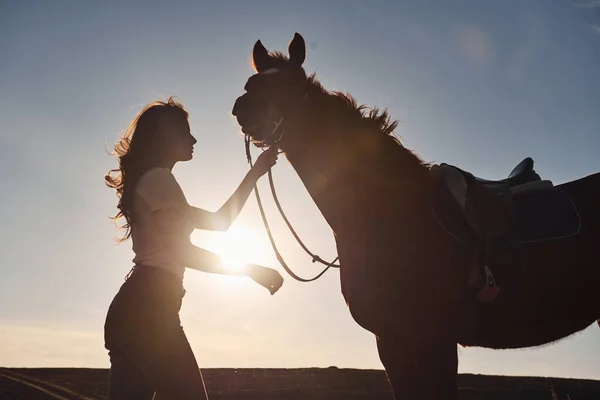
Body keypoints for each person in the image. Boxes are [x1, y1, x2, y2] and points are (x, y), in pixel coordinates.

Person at [103, 97, 283, 399]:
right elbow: (183, 252)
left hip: (133, 311)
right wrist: (250, 270)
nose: (194, 139)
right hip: (148, 311)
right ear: (164, 137)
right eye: (185, 133)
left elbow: (219, 222)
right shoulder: (160, 180)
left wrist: (256, 172)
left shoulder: (153, 182)